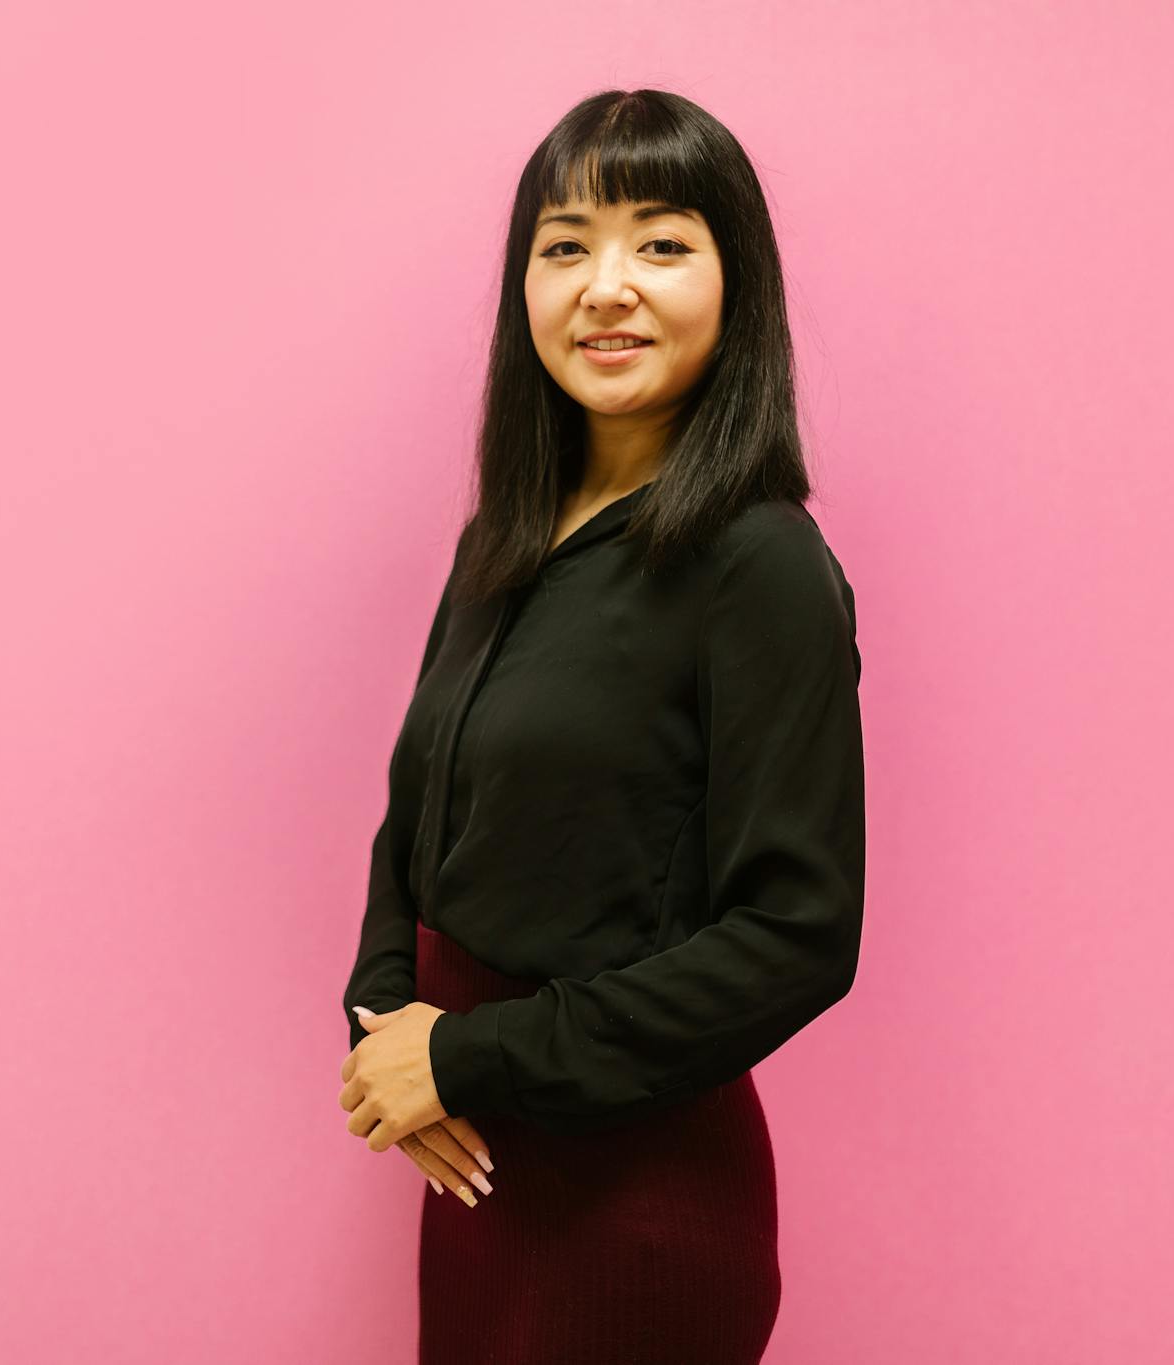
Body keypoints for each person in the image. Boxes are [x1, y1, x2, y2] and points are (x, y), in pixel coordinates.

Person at [336, 87, 866, 1365]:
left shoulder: (761, 564)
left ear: (736, 284)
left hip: (639, 1207)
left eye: (660, 243)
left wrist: (467, 1056)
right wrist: (379, 1021)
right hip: (477, 1180)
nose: (605, 286)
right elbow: (415, 814)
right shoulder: (499, 542)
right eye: (564, 245)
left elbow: (797, 936)